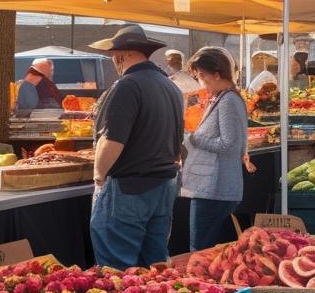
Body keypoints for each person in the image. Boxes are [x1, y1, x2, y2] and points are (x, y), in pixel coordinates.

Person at [87, 25, 184, 269]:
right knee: (155, 266)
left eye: (113, 57)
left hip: (128, 188)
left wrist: (99, 175)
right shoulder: (170, 86)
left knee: (117, 269)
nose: (113, 62)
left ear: (121, 55)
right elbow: (178, 143)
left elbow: (113, 140)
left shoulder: (126, 85)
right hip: (163, 185)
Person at [181, 47, 255, 251]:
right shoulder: (224, 98)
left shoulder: (229, 100)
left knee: (200, 250)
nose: (200, 81)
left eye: (202, 76)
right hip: (214, 187)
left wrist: (192, 139)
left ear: (216, 74)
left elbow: (229, 144)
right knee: (208, 249)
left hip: (215, 189)